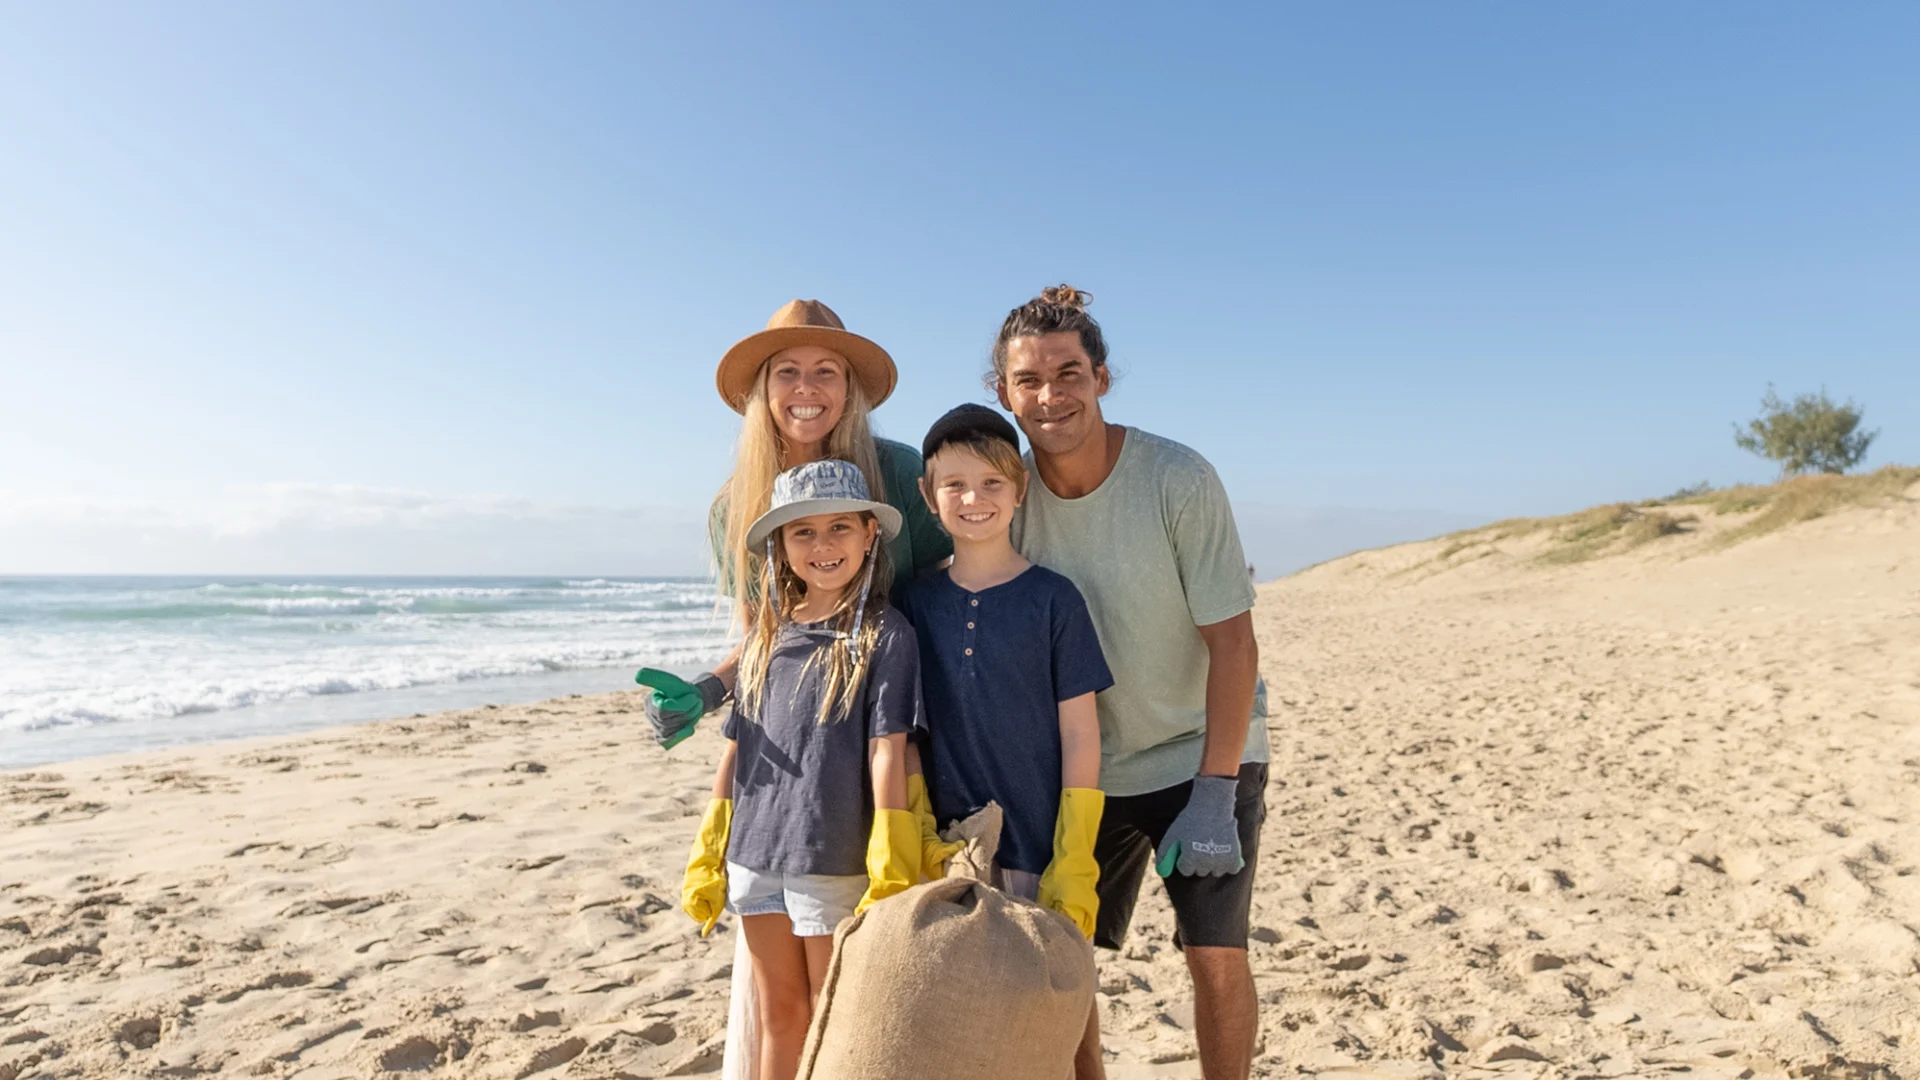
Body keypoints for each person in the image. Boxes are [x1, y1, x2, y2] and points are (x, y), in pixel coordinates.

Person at [996, 286, 1267, 1080]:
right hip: (1084, 765)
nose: (1051, 397)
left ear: (1102, 379)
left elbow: (1234, 641)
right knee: (1064, 958)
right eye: (1029, 381)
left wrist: (1216, 790)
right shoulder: (1004, 494)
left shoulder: (1177, 477)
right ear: (1002, 392)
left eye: (1069, 373)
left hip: (1200, 752)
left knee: (1213, 954)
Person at [680, 459, 924, 1080]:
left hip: (831, 855)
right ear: (781, 547)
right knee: (780, 1012)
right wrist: (711, 843)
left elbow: (887, 748)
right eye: (803, 532)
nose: (823, 546)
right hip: (753, 853)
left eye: (840, 526)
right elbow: (738, 747)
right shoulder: (766, 635)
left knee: (830, 1011)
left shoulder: (885, 634)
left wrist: (891, 854)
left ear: (871, 534)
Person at [638, 299, 950, 748]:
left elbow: (943, 606)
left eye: (826, 371)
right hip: (808, 727)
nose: (806, 388)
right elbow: (763, 640)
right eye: (787, 371)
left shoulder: (900, 473)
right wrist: (707, 690)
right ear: (763, 388)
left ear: (848, 388)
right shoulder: (735, 506)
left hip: (904, 720)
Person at [898, 404, 1111, 933]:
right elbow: (902, 734)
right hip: (945, 852)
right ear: (928, 495)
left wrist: (1074, 853)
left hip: (1038, 850)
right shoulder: (912, 604)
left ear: (1020, 489)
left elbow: (1081, 732)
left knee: (1052, 1004)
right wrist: (914, 831)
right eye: (955, 484)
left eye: (993, 481)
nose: (974, 499)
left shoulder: (1055, 599)